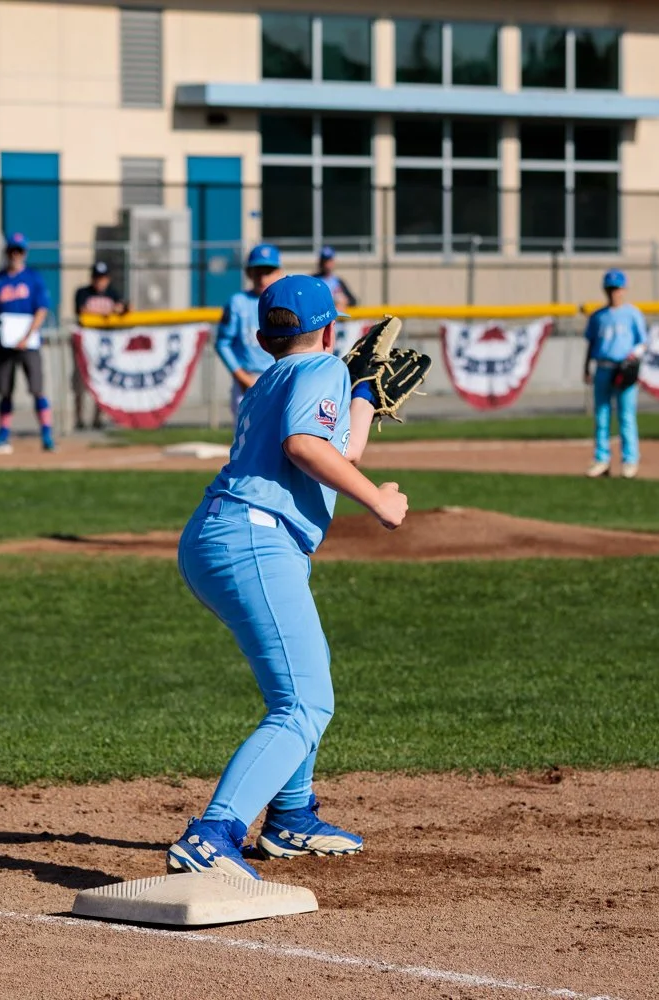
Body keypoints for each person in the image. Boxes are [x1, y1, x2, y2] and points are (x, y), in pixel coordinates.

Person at [166, 275, 409, 880]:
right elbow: (305, 445)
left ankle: (291, 815)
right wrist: (378, 502)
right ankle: (213, 835)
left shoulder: (271, 380)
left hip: (221, 535)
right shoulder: (321, 368)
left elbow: (339, 452)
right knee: (305, 701)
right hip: (254, 538)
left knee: (306, 678)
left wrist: (361, 395)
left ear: (261, 340)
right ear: (330, 332)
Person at [0, 233, 54, 454]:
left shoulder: (33, 278)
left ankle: (46, 434)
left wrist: (27, 337)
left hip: (29, 343)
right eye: (12, 250)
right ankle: (3, 434)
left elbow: (41, 310)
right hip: (3, 344)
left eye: (19, 251)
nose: (15, 255)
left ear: (24, 253)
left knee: (37, 389)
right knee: (4, 391)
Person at [583, 269, 647, 479]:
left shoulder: (632, 314)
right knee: (601, 415)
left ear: (624, 289)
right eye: (610, 289)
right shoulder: (598, 316)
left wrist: (633, 358)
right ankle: (602, 459)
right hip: (603, 367)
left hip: (624, 369)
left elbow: (643, 342)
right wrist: (586, 367)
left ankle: (630, 460)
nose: (614, 293)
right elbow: (591, 343)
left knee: (626, 415)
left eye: (617, 288)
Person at [214, 244, 285, 416]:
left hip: (279, 376)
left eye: (268, 271)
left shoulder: (285, 302)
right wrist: (241, 376)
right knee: (245, 431)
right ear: (249, 273)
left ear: (279, 272)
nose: (263, 277)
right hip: (247, 378)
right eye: (258, 271)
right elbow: (222, 343)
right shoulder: (238, 302)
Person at [72, 261, 129, 430]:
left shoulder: (112, 293)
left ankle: (98, 418)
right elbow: (82, 310)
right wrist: (107, 312)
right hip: (84, 345)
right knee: (80, 382)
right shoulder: (83, 292)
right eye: (97, 278)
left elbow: (126, 307)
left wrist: (120, 308)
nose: (99, 282)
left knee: (102, 381)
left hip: (104, 346)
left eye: (102, 278)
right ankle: (79, 417)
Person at [313, 246, 358, 310]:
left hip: (337, 314)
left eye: (330, 261)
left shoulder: (338, 281)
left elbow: (353, 301)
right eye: (325, 261)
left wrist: (344, 301)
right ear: (320, 262)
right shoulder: (313, 280)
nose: (327, 264)